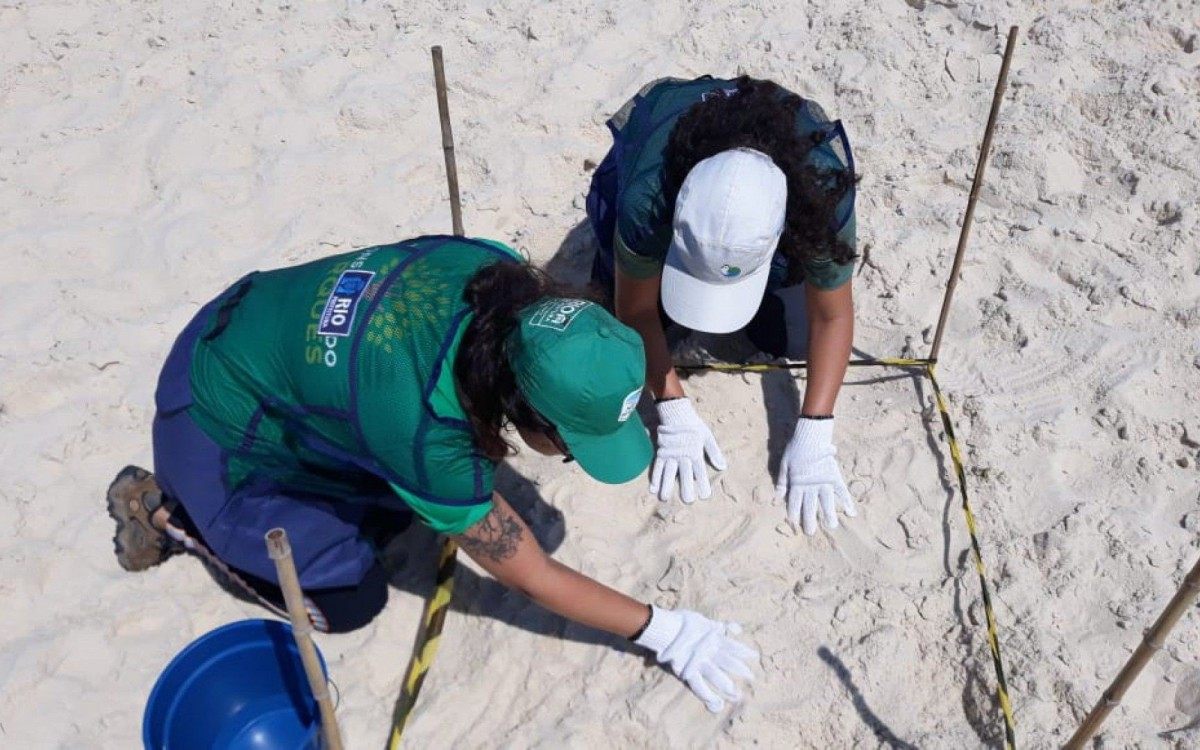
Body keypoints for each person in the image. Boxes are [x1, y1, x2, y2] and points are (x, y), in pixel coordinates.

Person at [107, 235, 755, 711]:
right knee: (349, 599)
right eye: (570, 441)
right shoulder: (424, 435)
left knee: (402, 510)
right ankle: (172, 516)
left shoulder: (491, 268)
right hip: (216, 427)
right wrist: (666, 632)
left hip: (249, 324)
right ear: (524, 405)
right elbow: (530, 573)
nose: (563, 458)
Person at [586, 75, 860, 535]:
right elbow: (635, 312)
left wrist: (815, 429)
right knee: (630, 335)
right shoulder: (647, 200)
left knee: (790, 340)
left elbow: (831, 315)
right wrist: (672, 408)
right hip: (659, 170)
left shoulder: (822, 195)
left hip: (794, 200)